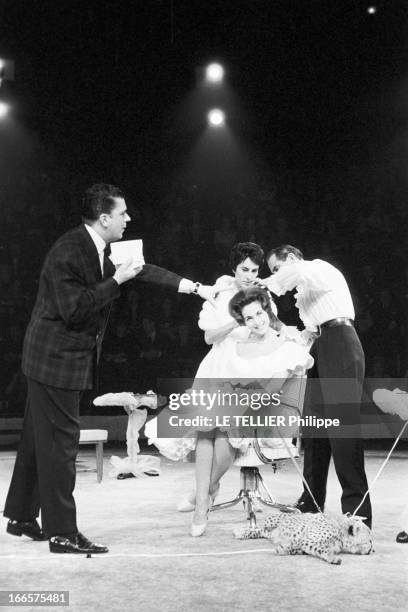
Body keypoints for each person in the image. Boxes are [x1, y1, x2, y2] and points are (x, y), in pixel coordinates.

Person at [3, 183, 220, 555]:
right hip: (54, 359)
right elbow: (75, 308)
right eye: (122, 213)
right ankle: (62, 533)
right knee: (60, 445)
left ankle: (22, 515)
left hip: (59, 357)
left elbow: (144, 270)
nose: (128, 218)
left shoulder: (105, 246)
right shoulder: (69, 250)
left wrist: (196, 288)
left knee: (38, 440)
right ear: (104, 218)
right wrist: (116, 280)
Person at [145, 287, 313, 536]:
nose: (257, 321)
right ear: (243, 322)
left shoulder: (286, 346)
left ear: (267, 309)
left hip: (263, 409)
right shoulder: (238, 345)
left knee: (219, 426)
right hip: (231, 405)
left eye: (259, 313)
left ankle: (206, 492)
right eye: (249, 318)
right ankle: (202, 502)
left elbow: (271, 390)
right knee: (207, 424)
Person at [263, 245, 372, 528]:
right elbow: (306, 335)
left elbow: (291, 276)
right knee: (314, 429)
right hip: (322, 346)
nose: (277, 273)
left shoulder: (316, 268)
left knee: (343, 430)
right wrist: (276, 326)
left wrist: (261, 284)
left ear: (290, 258)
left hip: (342, 343)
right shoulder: (308, 293)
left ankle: (357, 511)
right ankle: (310, 501)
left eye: (277, 267)